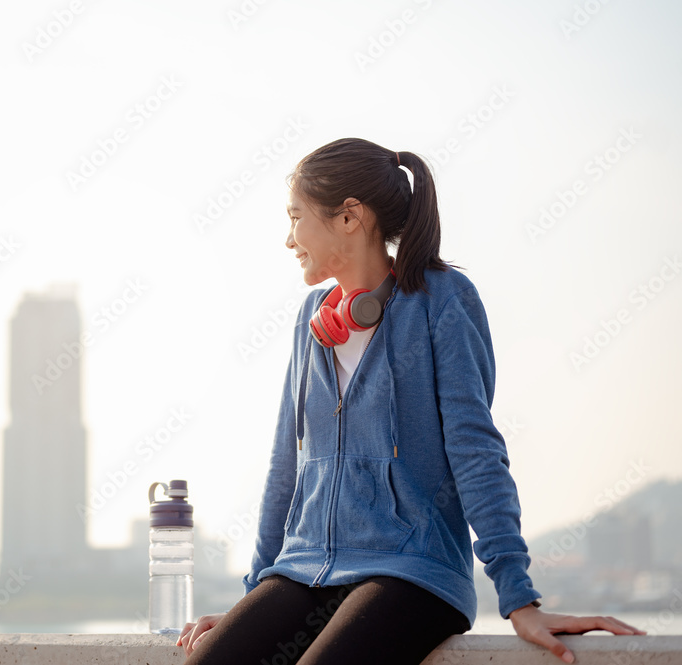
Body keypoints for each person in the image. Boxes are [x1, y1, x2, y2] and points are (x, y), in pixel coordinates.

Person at [177, 138, 645, 664]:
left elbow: (474, 449)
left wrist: (518, 596)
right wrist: (254, 603)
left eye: (296, 218)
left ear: (350, 216)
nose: (289, 239)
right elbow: (286, 462)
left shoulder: (442, 301)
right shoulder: (312, 320)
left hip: (412, 570)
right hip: (306, 566)